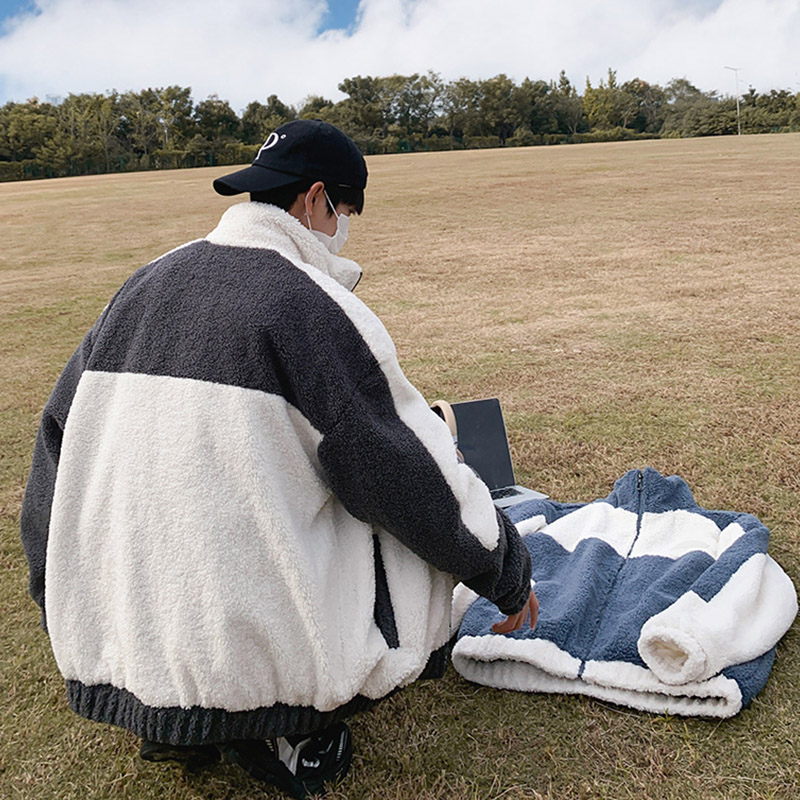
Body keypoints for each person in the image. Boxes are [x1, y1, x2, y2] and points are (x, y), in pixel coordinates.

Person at [20, 119, 538, 799]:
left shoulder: (142, 285)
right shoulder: (308, 306)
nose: (344, 229)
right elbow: (410, 478)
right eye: (346, 212)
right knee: (394, 512)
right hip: (234, 628)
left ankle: (176, 707)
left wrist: (66, 595)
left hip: (124, 630)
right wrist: (505, 571)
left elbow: (54, 450)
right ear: (316, 201)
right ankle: (287, 720)